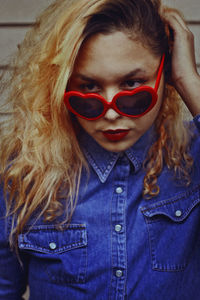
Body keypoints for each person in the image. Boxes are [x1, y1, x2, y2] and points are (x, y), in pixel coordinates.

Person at [0, 0, 200, 299]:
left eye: (132, 84)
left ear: (165, 73)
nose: (110, 112)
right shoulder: (23, 172)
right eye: (89, 88)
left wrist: (189, 80)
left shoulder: (193, 154)